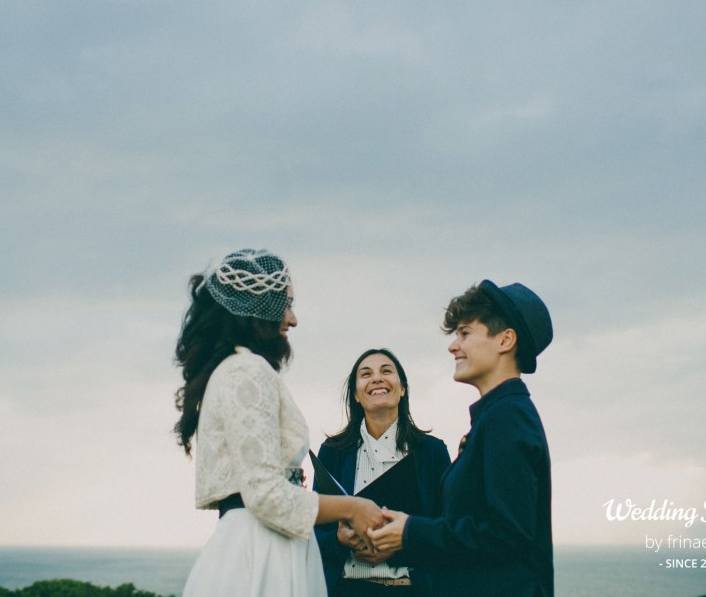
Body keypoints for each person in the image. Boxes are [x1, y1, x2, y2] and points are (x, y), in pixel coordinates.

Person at [174, 249, 385, 597]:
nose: (293, 319)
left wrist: (334, 519)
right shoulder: (247, 371)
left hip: (258, 539)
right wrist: (353, 507)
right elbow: (266, 495)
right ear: (259, 311)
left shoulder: (232, 369)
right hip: (261, 552)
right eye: (286, 305)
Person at [368, 279, 555, 596]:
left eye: (465, 333)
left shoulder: (507, 418)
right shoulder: (495, 417)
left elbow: (507, 536)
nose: (453, 346)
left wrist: (412, 533)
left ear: (505, 340)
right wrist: (404, 531)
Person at [313, 348, 451, 597]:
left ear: (402, 389)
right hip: (346, 589)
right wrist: (339, 540)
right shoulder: (333, 452)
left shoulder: (431, 452)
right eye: (366, 374)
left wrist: (400, 546)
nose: (376, 378)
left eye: (386, 371)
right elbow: (313, 532)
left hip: (411, 590)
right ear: (356, 395)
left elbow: (446, 530)